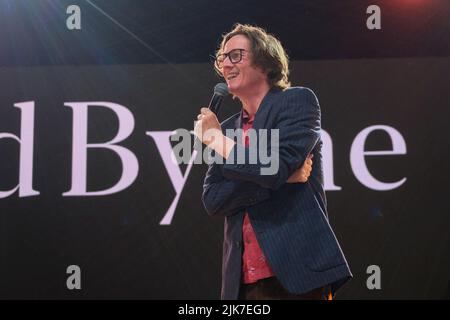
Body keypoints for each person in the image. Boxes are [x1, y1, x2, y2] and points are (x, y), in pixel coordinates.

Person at [194, 23, 352, 300]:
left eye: (235, 55)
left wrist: (216, 141)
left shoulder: (297, 101)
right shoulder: (229, 129)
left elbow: (277, 167)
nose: (225, 65)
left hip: (297, 275)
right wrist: (280, 178)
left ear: (266, 62)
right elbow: (213, 200)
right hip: (241, 284)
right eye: (222, 58)